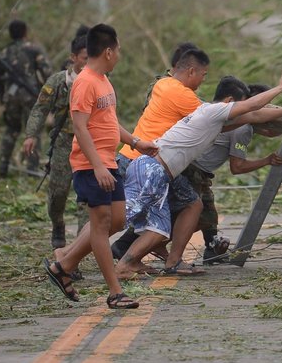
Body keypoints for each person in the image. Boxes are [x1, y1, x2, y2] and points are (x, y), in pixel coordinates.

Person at [115, 73, 282, 279]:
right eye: (237, 106)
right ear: (228, 102)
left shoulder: (214, 118)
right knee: (117, 220)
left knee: (169, 219)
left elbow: (254, 115)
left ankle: (140, 261)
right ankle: (117, 260)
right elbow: (251, 108)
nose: (239, 111)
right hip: (152, 169)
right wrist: (280, 88)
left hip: (156, 170)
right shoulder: (214, 112)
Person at [42, 24, 158, 310]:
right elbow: (79, 128)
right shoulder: (85, 82)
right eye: (117, 50)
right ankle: (115, 293)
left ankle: (63, 264)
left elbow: (108, 122)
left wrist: (135, 141)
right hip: (90, 165)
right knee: (101, 223)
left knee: (117, 221)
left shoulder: (104, 81)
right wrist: (96, 167)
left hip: (108, 160)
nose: (118, 56)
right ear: (108, 51)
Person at [109, 45, 209, 261]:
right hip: (149, 165)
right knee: (192, 205)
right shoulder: (182, 94)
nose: (203, 81)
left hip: (131, 157)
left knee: (141, 216)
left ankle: (138, 256)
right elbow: (217, 117)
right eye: (203, 75)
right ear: (191, 71)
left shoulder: (162, 84)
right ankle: (69, 258)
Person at [186, 81, 282, 265]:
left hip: (197, 170)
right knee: (186, 216)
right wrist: (267, 160)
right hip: (193, 172)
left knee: (208, 215)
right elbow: (237, 167)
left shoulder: (233, 118)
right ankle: (131, 245)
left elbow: (270, 131)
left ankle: (212, 249)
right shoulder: (243, 128)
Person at [24, 34, 89, 248]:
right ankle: (58, 224)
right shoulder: (58, 82)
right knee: (58, 193)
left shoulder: (98, 82)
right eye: (84, 58)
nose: (88, 63)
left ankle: (79, 245)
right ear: (73, 57)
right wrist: (31, 135)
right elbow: (40, 109)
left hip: (88, 146)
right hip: (63, 144)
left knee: (86, 199)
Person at [0, 19, 51, 176]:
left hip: (10, 96)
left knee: (11, 129)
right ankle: (32, 169)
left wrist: (2, 98)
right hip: (30, 96)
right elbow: (47, 71)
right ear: (25, 32)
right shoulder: (33, 49)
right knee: (33, 131)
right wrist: (44, 92)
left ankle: (3, 166)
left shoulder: (4, 53)